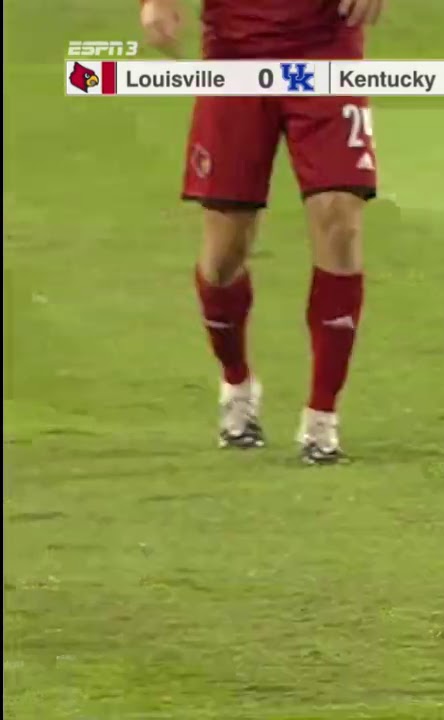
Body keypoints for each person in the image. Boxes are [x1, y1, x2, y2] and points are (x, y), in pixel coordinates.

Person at [139, 0, 384, 463]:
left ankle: (322, 418)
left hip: (326, 49)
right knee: (224, 251)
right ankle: (237, 383)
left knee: (340, 218)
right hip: (235, 55)